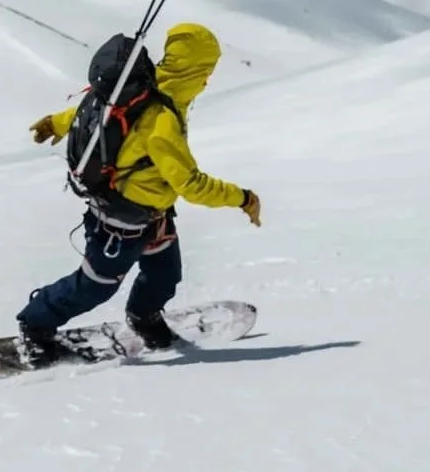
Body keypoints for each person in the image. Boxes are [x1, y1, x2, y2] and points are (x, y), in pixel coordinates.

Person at [17, 22, 262, 365]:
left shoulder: (141, 86)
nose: (208, 80)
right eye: (207, 70)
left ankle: (144, 318)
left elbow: (91, 111)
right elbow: (191, 185)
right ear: (195, 70)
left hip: (153, 215)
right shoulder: (160, 118)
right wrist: (243, 198)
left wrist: (55, 122)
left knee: (164, 275)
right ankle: (34, 325)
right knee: (94, 287)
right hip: (118, 222)